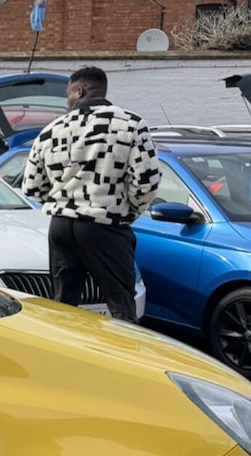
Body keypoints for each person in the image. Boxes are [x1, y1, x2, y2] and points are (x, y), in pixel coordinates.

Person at [21, 66, 159, 322]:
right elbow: (147, 182)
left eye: (68, 96)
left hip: (61, 226)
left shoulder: (51, 129)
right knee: (121, 307)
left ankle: (64, 357)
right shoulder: (131, 124)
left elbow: (31, 186)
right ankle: (122, 359)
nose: (68, 101)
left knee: (63, 306)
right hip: (106, 225)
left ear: (79, 91)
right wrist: (129, 211)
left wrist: (60, 201)